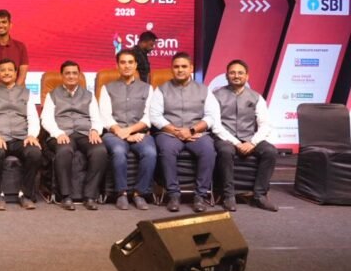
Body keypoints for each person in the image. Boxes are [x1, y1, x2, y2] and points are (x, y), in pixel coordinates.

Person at [150, 52, 219, 213]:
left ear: (191, 68)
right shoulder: (161, 90)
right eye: (176, 67)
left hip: (197, 133)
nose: (180, 70)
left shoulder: (204, 90)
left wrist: (192, 130)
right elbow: (155, 116)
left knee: (209, 151)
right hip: (169, 133)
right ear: (171, 69)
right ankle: (173, 195)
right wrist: (177, 131)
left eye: (184, 66)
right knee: (166, 150)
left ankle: (200, 196)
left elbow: (211, 116)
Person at [212, 59, 279, 211]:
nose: (236, 76)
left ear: (247, 76)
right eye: (232, 73)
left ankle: (260, 195)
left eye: (240, 73)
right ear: (226, 76)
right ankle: (228, 195)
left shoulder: (256, 97)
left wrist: (253, 142)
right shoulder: (215, 96)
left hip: (250, 138)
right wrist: (236, 143)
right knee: (225, 151)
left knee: (270, 151)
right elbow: (216, 126)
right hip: (225, 138)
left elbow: (265, 124)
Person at [40, 61, 106, 211]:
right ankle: (66, 196)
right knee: (64, 150)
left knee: (100, 151)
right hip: (62, 133)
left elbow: (96, 118)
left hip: (84, 132)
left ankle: (90, 196)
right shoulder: (52, 95)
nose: (71, 76)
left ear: (79, 75)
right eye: (67, 73)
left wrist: (95, 130)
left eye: (74, 73)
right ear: (62, 76)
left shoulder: (89, 95)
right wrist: (58, 133)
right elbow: (46, 119)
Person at [99, 49, 156, 211]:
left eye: (130, 62)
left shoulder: (147, 88)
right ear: (117, 65)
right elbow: (105, 116)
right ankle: (121, 194)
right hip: (114, 134)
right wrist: (122, 133)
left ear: (136, 65)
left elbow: (149, 117)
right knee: (118, 151)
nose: (127, 66)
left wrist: (130, 131)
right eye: (123, 62)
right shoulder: (107, 88)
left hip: (139, 133)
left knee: (150, 153)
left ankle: (139, 194)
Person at [0, 59, 41, 210]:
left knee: (34, 153)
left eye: (10, 70)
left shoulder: (26, 93)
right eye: (3, 70)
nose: (6, 73)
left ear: (15, 73)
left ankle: (25, 195)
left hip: (22, 137)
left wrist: (32, 135)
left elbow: (33, 117)